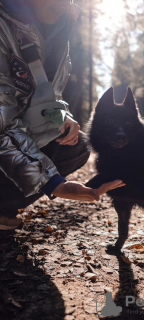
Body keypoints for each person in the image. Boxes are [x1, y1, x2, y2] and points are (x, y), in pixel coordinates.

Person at [0, 0, 124, 230]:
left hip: (14, 132)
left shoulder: (57, 25)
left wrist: (62, 115)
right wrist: (54, 184)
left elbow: (47, 95)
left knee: (76, 146)